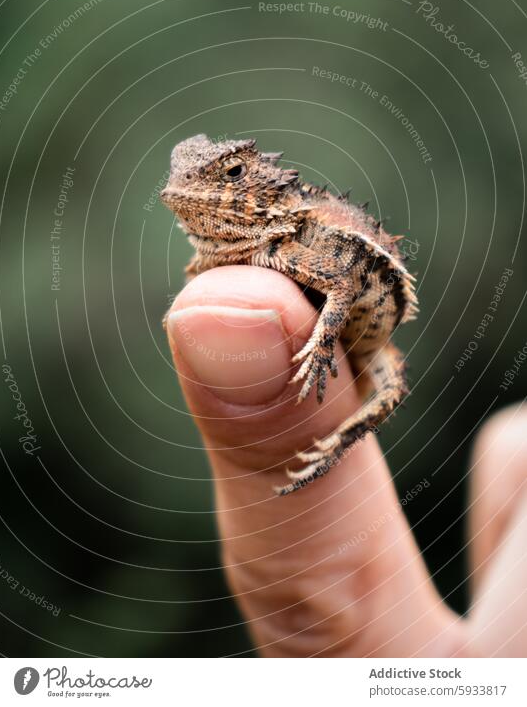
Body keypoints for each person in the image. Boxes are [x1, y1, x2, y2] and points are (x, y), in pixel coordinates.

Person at [166, 265, 527, 657]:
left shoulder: (300, 248)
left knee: (391, 388)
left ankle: (340, 441)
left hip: (365, 339)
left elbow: (339, 284)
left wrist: (320, 347)